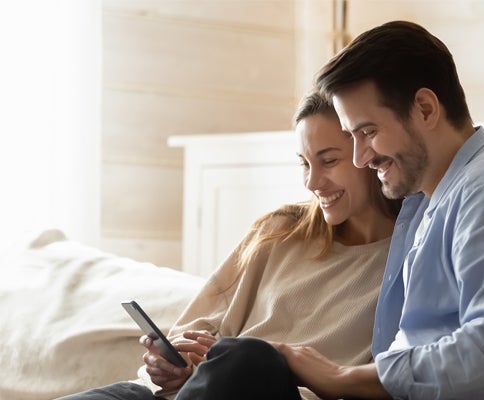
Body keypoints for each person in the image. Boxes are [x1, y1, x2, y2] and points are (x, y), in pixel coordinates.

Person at [271, 21, 484, 400]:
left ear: (424, 108)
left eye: (368, 132)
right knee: (243, 363)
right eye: (353, 136)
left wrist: (343, 377)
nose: (360, 157)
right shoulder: (440, 201)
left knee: (244, 366)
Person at [57, 91, 401, 400]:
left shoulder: (405, 261)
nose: (312, 182)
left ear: (367, 154)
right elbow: (195, 329)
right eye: (304, 163)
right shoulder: (279, 232)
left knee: (251, 358)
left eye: (328, 161)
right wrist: (175, 365)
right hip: (186, 393)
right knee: (125, 393)